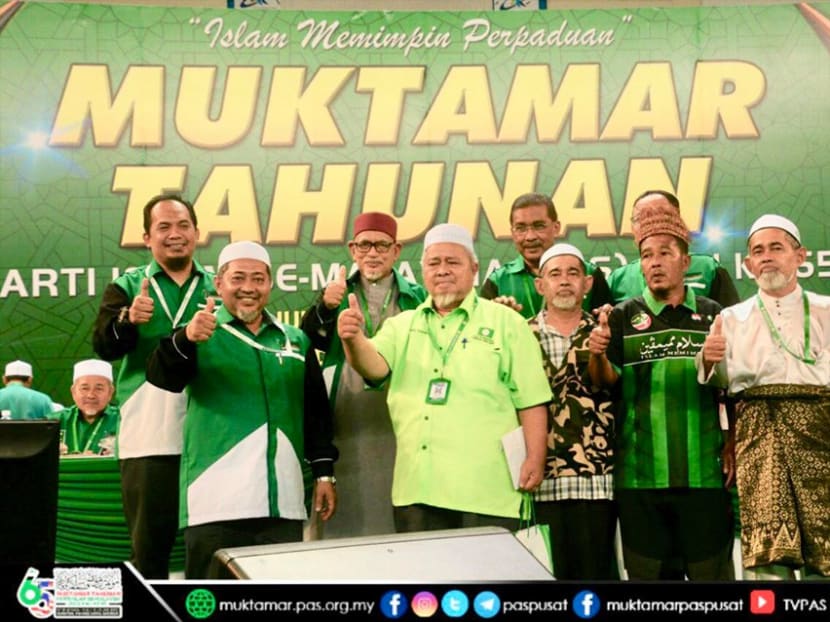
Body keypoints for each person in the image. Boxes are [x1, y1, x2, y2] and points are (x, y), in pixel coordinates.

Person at [337, 223, 551, 532]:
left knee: (488, 580)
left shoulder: (506, 322)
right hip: (419, 490)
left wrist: (534, 458)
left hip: (487, 491)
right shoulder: (402, 325)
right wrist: (353, 339)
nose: (443, 270)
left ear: (474, 268)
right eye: (434, 263)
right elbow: (374, 367)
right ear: (422, 271)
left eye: (453, 262)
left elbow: (531, 400)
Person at [146, 241, 338, 579]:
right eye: (238, 278)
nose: (248, 288)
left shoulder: (295, 340)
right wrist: (187, 339)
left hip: (283, 503)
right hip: (215, 503)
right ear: (218, 284)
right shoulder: (201, 332)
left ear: (269, 284)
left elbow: (316, 413)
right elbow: (162, 377)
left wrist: (324, 472)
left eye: (258, 279)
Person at [588, 207, 735, 580]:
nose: (654, 263)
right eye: (646, 255)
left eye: (665, 253)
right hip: (639, 478)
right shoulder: (622, 316)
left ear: (685, 262)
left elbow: (731, 388)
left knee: (713, 583)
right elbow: (605, 382)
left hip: (704, 472)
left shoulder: (713, 314)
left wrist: (732, 443)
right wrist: (598, 353)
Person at [698, 214, 829, 579]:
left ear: (800, 256)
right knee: (769, 556)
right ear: (748, 264)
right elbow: (720, 383)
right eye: (758, 251)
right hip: (760, 435)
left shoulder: (826, 309)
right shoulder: (731, 317)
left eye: (777, 248)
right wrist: (707, 359)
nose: (767, 257)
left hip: (821, 434)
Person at [92, 194, 215, 579]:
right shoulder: (127, 287)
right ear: (147, 238)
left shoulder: (219, 286)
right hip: (150, 435)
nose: (174, 234)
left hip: (212, 432)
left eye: (183, 226)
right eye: (163, 227)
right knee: (150, 552)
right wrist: (128, 321)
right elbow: (103, 346)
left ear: (198, 233)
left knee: (211, 548)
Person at [300, 212, 426, 538]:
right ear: (352, 249)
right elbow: (307, 341)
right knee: (346, 517)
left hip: (399, 410)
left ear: (396, 250)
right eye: (365, 245)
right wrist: (325, 308)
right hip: (346, 411)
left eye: (382, 245)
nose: (373, 253)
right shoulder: (336, 292)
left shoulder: (417, 296)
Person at [529, 243, 617, 580]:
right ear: (540, 285)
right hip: (538, 480)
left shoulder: (605, 329)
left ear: (588, 283)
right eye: (554, 274)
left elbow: (611, 384)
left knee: (594, 581)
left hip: (596, 480)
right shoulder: (520, 334)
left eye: (573, 273)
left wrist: (600, 353)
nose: (564, 281)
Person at [481, 192, 612, 317]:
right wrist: (498, 318)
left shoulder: (589, 273)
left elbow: (606, 329)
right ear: (512, 232)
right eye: (520, 228)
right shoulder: (498, 281)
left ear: (556, 228)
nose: (530, 236)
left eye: (539, 226)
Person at [607, 190, 740, 307]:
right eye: (639, 218)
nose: (651, 221)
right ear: (631, 227)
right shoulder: (618, 280)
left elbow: (733, 323)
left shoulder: (708, 268)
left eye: (660, 213)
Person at [50, 359, 118, 456]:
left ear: (110, 392)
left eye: (99, 389)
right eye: (84, 388)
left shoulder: (123, 419)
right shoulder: (54, 421)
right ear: (73, 391)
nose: (91, 395)